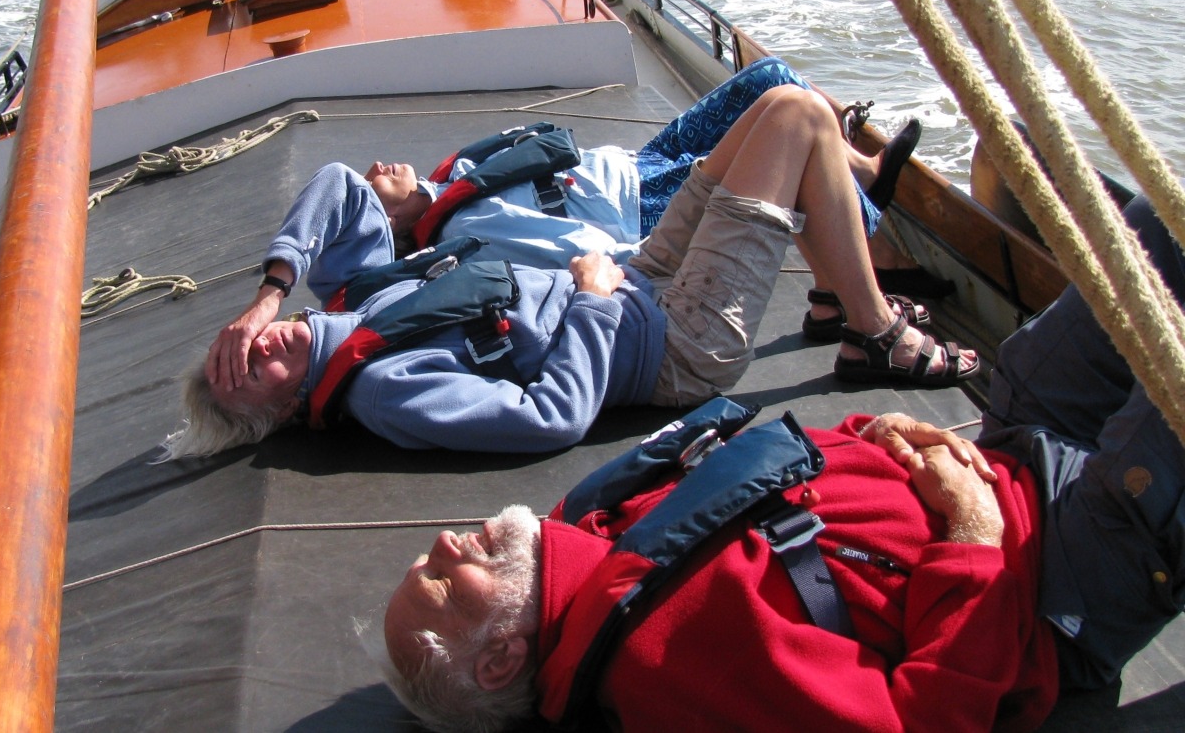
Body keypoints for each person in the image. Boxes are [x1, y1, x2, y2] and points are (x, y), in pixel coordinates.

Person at [378, 192, 1185, 732]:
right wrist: (972, 536)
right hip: (1058, 565)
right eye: (443, 584)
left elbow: (782, 482)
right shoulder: (664, 668)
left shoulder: (595, 534)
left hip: (1001, 445)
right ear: (499, 659)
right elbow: (915, 720)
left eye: (426, 557)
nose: (446, 545)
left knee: (1157, 228)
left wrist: (884, 433)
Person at [161, 83, 974, 459]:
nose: (257, 353)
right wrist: (590, 301)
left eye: (238, 350)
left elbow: (340, 187)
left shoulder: (354, 300)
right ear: (282, 410)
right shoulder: (381, 387)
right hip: (673, 342)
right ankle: (875, 333)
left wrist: (268, 293)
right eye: (248, 379)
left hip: (638, 278)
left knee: (780, 103)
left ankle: (847, 307)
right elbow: (543, 420)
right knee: (797, 119)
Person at [204, 57, 919, 389]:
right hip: (641, 205)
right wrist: (273, 291)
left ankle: (856, 174)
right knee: (785, 134)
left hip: (632, 163)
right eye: (375, 184)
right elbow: (581, 251)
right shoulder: (453, 240)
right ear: (381, 220)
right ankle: (859, 264)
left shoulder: (449, 179)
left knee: (771, 78)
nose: (378, 165)